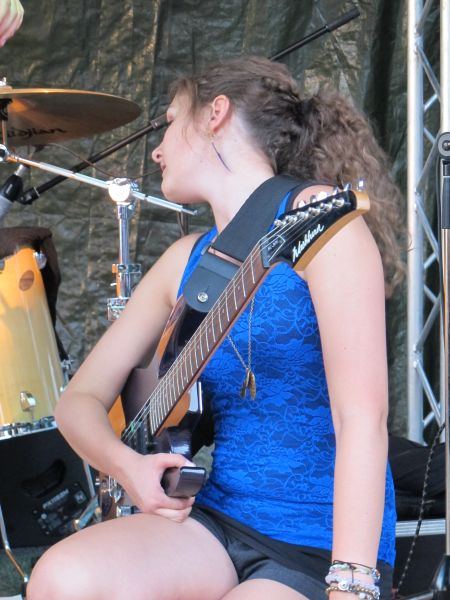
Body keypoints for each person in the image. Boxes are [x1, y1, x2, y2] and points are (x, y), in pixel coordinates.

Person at [27, 56, 404, 600]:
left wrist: (352, 580)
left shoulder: (322, 222)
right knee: (62, 579)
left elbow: (362, 417)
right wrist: (128, 468)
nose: (155, 151)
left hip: (324, 539)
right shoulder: (184, 260)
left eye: (168, 123)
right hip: (219, 520)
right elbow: (78, 402)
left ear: (215, 114)